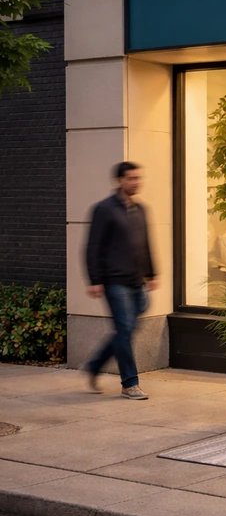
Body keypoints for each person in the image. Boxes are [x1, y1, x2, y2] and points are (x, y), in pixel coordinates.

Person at [83, 162, 158, 399]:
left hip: (137, 281)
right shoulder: (104, 209)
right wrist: (95, 279)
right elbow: (93, 246)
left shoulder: (141, 209)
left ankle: (95, 365)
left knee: (124, 330)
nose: (136, 182)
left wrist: (152, 273)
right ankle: (130, 383)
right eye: (131, 179)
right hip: (115, 282)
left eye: (138, 178)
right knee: (125, 330)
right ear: (119, 181)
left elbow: (145, 244)